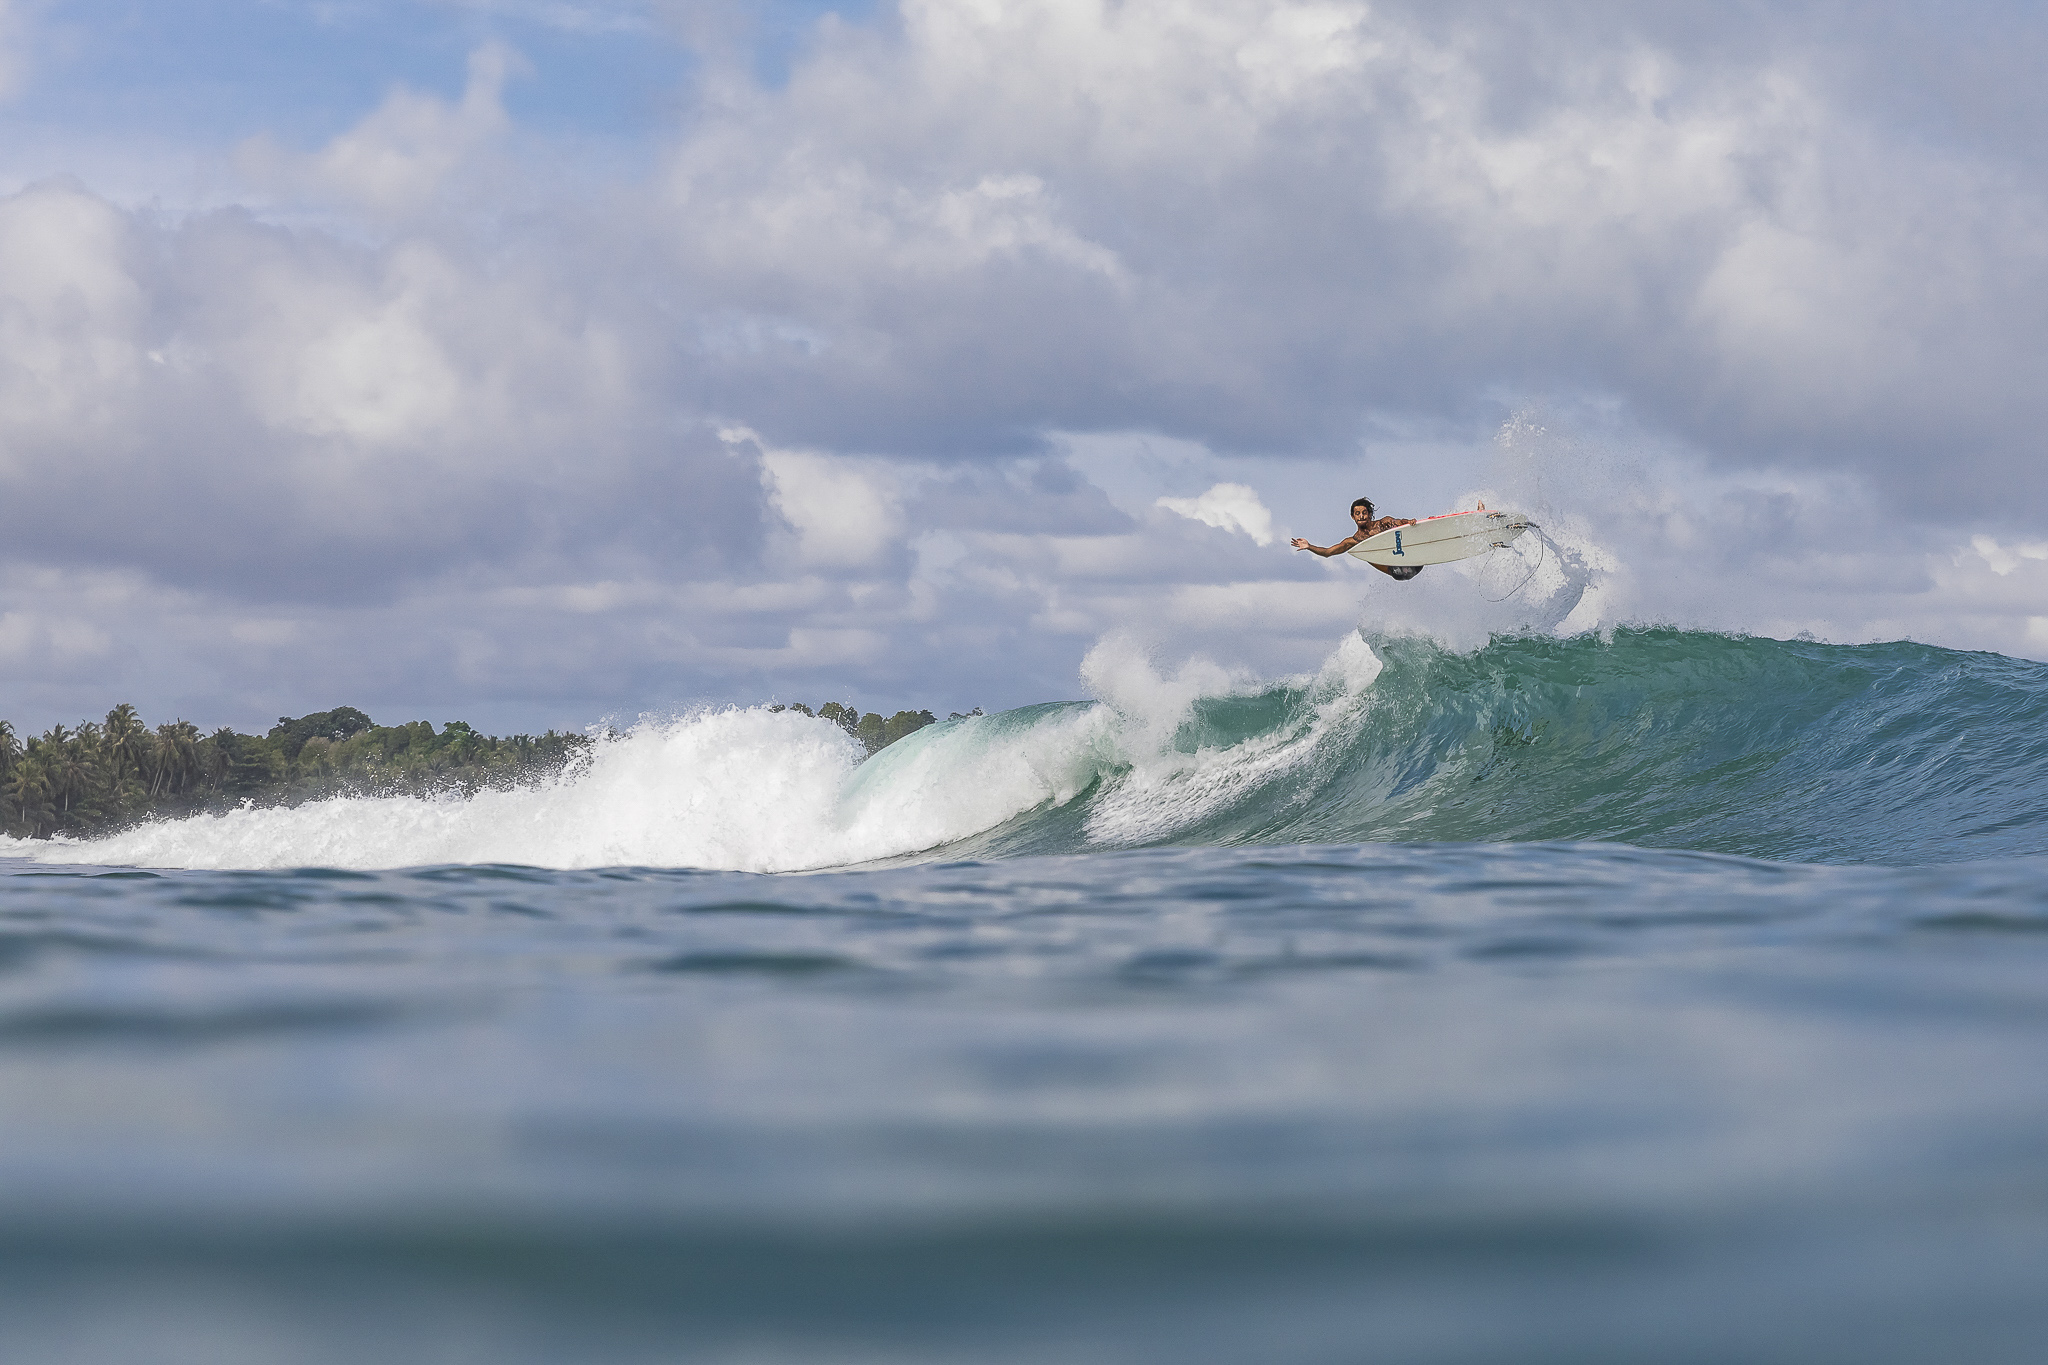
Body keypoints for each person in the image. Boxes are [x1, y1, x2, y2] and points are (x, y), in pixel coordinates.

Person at [1291, 497, 1425, 580]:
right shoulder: (1353, 541)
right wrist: (1309, 546)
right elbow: (1328, 552)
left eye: (1364, 513)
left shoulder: (1384, 523)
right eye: (1357, 513)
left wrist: (1409, 522)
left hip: (1412, 562)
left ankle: (1418, 549)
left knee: (1392, 532)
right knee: (1362, 549)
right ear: (1352, 516)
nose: (1361, 516)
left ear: (1370, 514)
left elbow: (1399, 522)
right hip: (1397, 572)